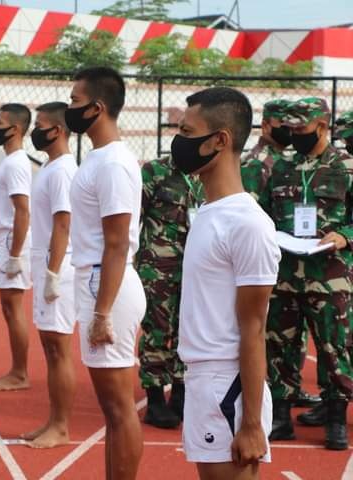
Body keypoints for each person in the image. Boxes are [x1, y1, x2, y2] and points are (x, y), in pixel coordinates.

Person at [174, 86, 280, 480]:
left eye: (187, 133)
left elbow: (254, 327)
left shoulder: (246, 223)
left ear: (219, 140)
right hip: (205, 379)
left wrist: (251, 424)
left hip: (226, 387)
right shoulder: (208, 212)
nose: (178, 142)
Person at [67, 67, 145, 480]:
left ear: (97, 108)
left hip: (107, 285)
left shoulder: (114, 162)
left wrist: (102, 313)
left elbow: (117, 242)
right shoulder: (99, 157)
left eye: (76, 102)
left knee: (118, 408)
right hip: (97, 282)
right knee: (111, 411)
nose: (70, 109)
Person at [263, 97, 353, 450]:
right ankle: (281, 417)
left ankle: (335, 419)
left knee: (334, 348)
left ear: (323, 125)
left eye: (302, 129)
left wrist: (344, 236)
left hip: (328, 275)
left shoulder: (346, 167)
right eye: (291, 129)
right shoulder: (283, 168)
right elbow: (267, 210)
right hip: (285, 272)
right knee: (279, 346)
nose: (295, 134)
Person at [241, 99, 321, 410]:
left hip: (290, 257)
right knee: (270, 334)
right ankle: (269, 397)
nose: (290, 132)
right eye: (283, 127)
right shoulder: (257, 162)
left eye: (293, 127)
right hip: (267, 258)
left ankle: (289, 388)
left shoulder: (286, 159)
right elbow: (250, 213)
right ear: (266, 126)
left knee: (292, 334)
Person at [22, 102, 77, 448]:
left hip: (60, 266)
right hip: (46, 261)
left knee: (59, 349)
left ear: (56, 130)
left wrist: (54, 273)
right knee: (50, 348)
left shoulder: (62, 171)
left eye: (40, 125)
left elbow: (64, 222)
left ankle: (61, 426)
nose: (35, 131)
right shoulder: (50, 166)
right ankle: (52, 420)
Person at [137, 155, 201, 429]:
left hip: (198, 267)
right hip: (158, 267)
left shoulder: (209, 174)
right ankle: (154, 399)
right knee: (158, 329)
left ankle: (180, 392)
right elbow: (133, 217)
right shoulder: (155, 171)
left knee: (190, 329)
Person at [0, 103, 33, 391]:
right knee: (8, 307)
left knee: (13, 306)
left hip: (11, 241)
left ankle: (20, 372)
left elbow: (23, 210)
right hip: (6, 239)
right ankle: (18, 370)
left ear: (14, 129)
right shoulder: (10, 161)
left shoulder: (16, 163)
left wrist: (15, 254)